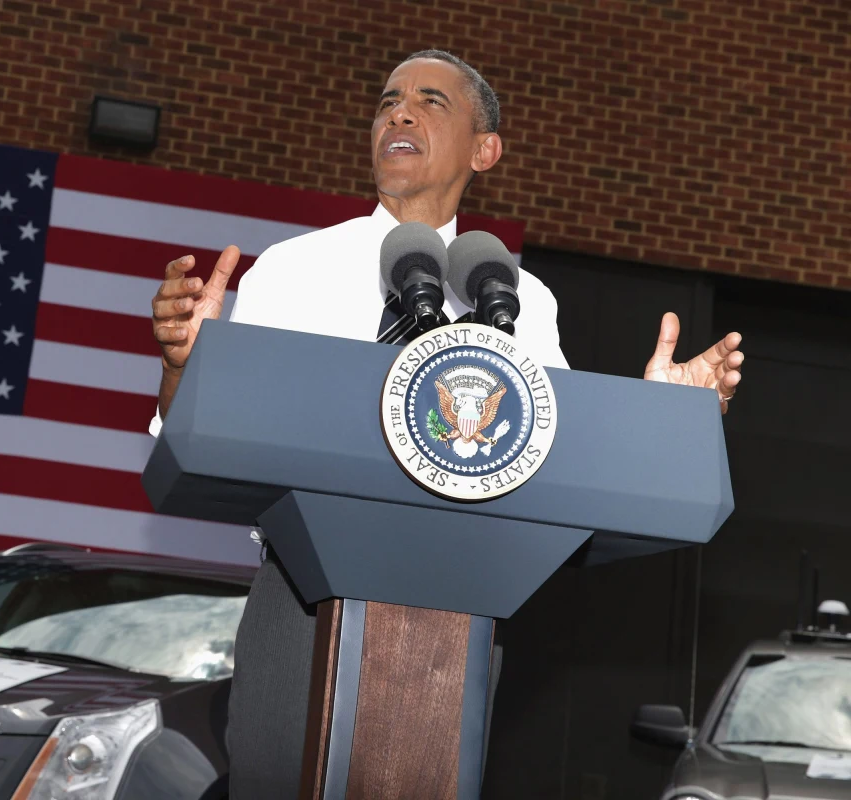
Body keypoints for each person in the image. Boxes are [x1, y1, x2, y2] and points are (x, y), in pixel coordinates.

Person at [149, 50, 744, 798]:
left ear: (484, 150)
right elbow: (191, 434)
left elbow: (558, 457)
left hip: (457, 621)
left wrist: (661, 419)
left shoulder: (519, 297)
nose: (398, 112)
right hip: (302, 605)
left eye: (430, 101)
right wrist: (184, 367)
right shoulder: (294, 269)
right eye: (387, 100)